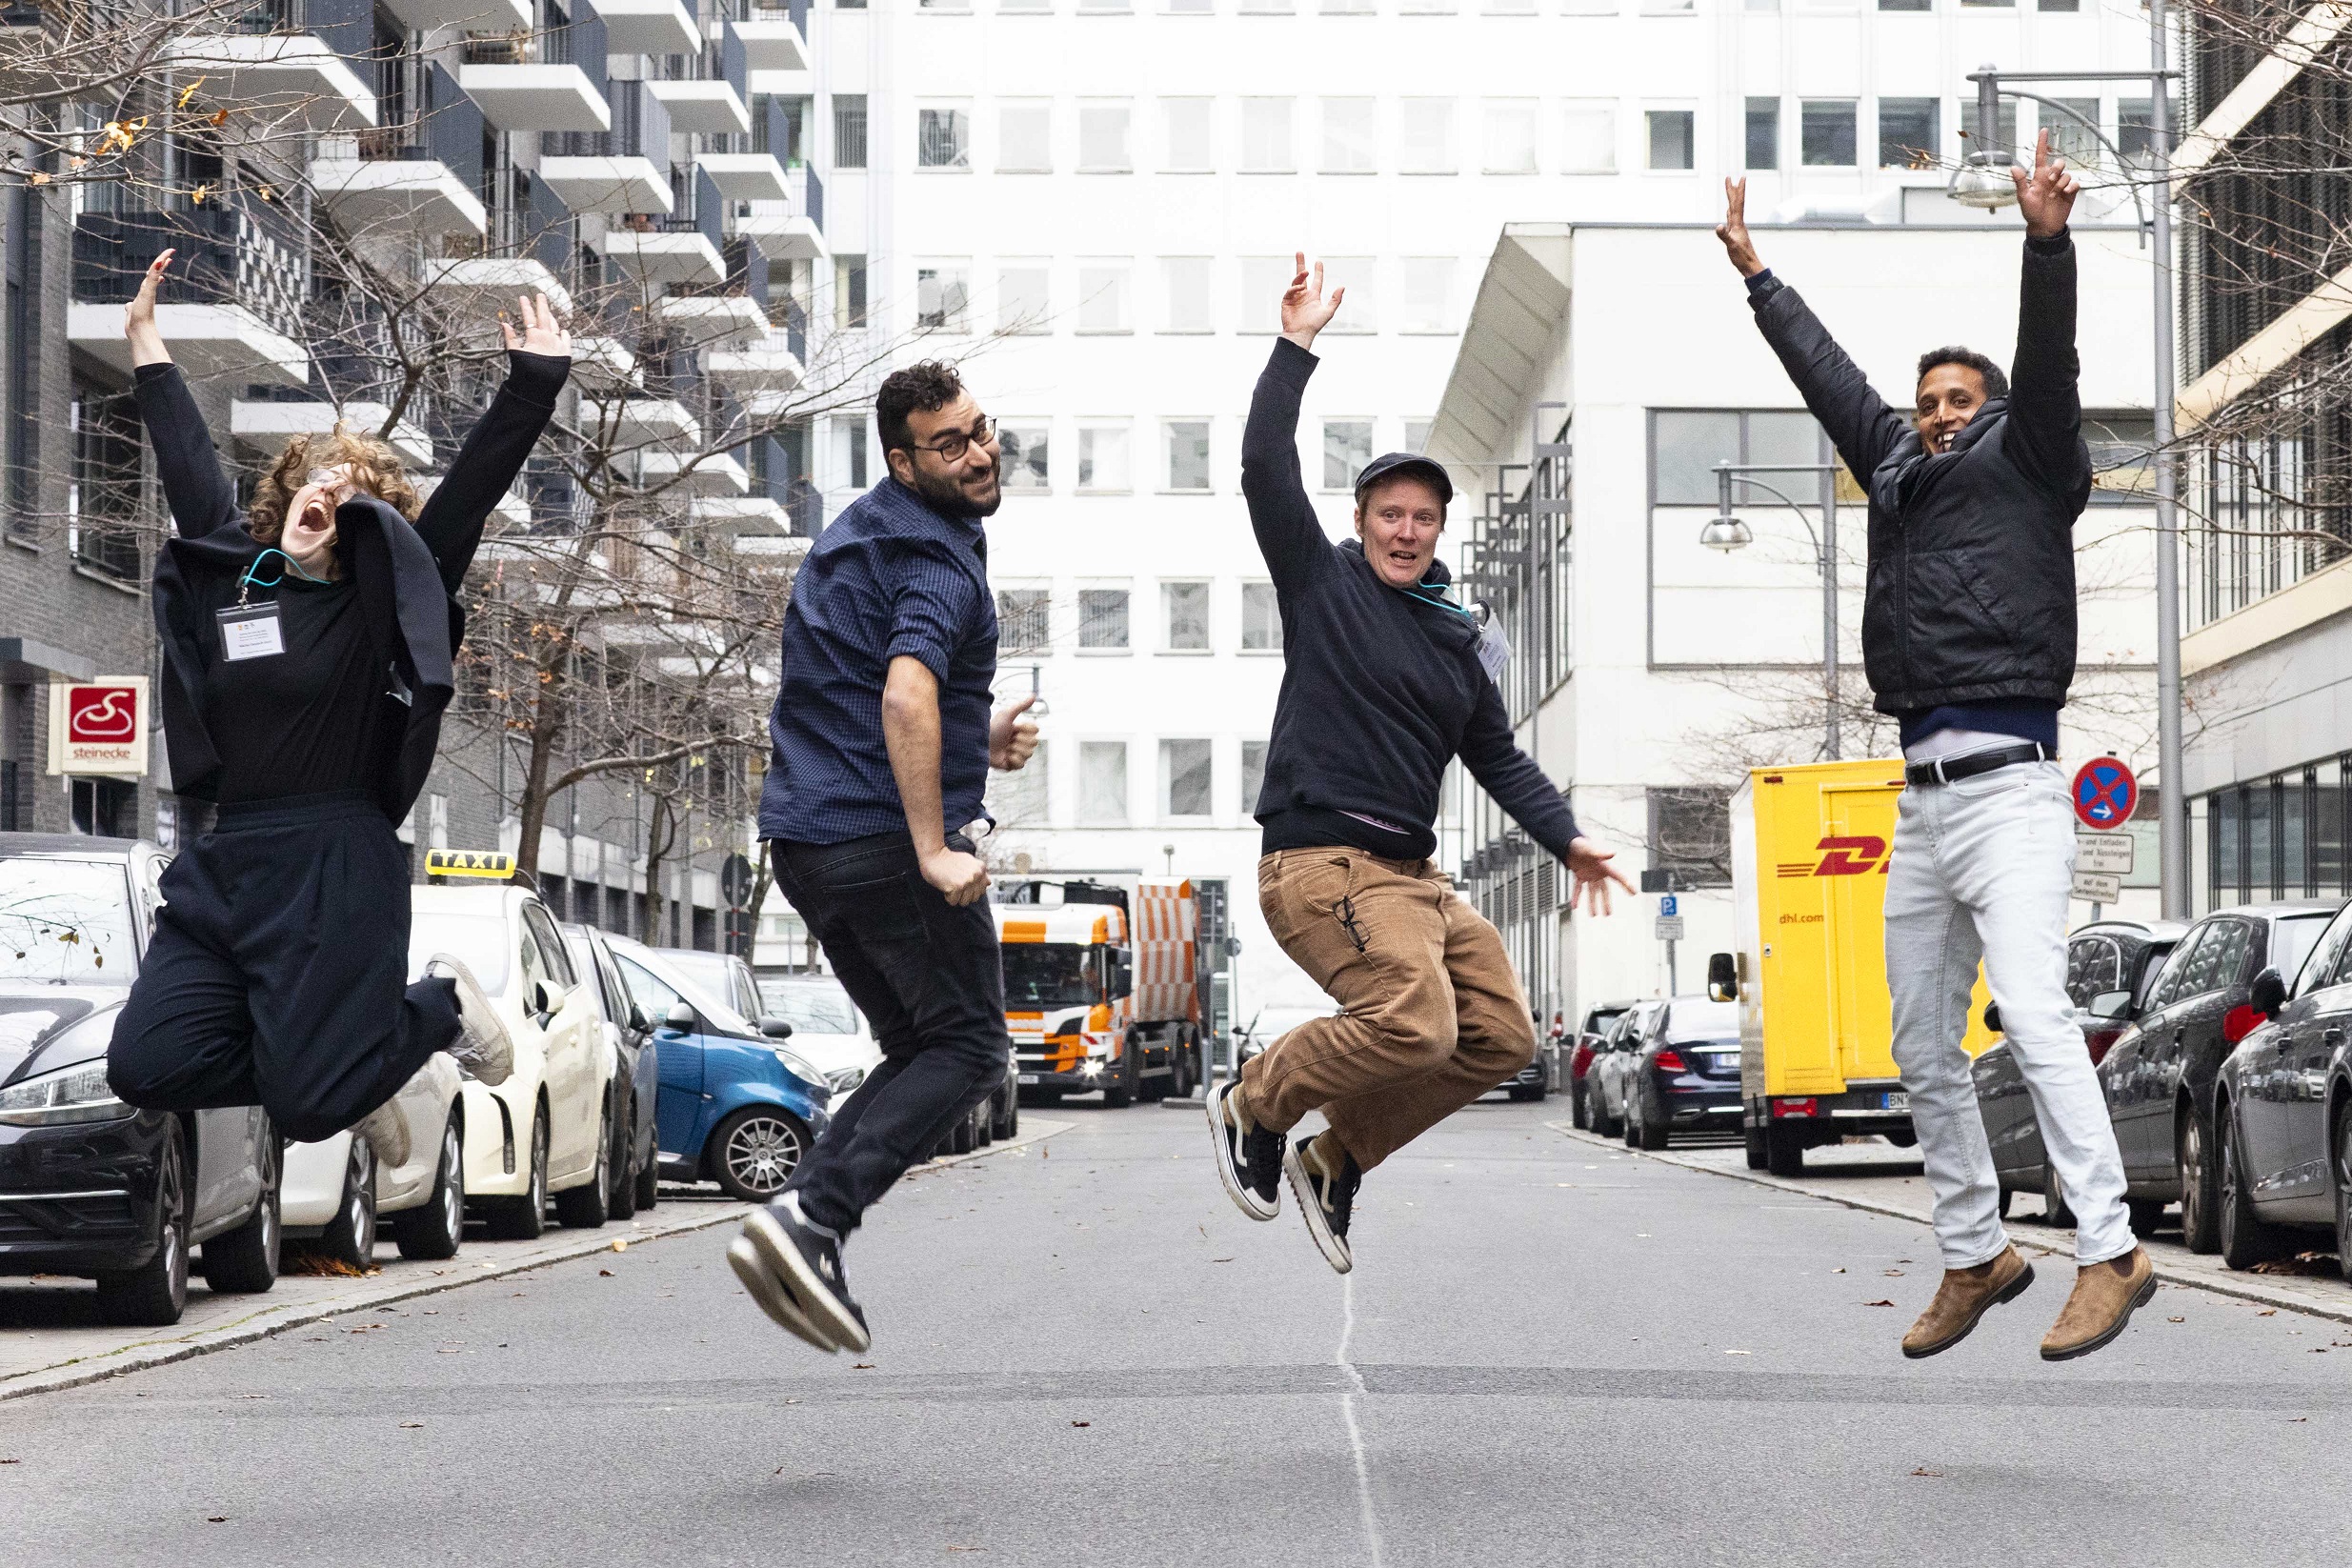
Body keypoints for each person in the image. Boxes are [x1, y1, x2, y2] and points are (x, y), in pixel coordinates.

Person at [1717, 132, 2154, 1361]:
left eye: (1960, 399)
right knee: (1918, 1037)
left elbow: (2051, 363)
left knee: (2029, 1005)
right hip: (1922, 802)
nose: (1938, 415)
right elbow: (1829, 377)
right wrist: (1758, 275)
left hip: (2014, 790)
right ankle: (1977, 1250)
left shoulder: (2033, 460)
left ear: (1999, 415)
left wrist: (2047, 241)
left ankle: (2110, 1248)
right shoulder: (1898, 477)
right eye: (1928, 403)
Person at [1204, 255, 1635, 1275]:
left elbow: (1497, 756)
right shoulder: (1323, 586)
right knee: (1410, 1016)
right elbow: (1266, 465)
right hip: (1323, 864)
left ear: (1441, 530)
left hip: (1413, 879)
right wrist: (1295, 347)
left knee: (1499, 1036)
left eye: (1423, 517)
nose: (1405, 529)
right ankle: (1254, 1099)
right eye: (1389, 513)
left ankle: (1335, 1157)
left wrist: (1568, 840)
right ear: (1362, 522)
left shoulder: (1455, 637)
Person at [105, 251, 573, 1171]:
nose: (330, 503)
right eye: (316, 490)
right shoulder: (236, 581)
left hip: (333, 862)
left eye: (356, 502)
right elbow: (190, 475)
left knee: (307, 1109)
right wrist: (146, 346)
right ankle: (355, 1074)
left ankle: (427, 1015)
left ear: (382, 524)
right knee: (148, 1064)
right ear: (282, 502)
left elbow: (468, 499)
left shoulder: (389, 611)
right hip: (226, 863)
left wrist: (533, 386)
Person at [728, 361, 1038, 1355]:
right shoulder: (936, 559)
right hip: (881, 844)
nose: (980, 453)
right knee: (972, 1047)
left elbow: (868, 686)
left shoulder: (855, 535)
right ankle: (809, 1217)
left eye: (981, 429)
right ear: (904, 460)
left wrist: (973, 736)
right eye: (950, 444)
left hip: (809, 844)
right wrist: (935, 849)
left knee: (919, 1045)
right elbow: (903, 696)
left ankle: (804, 1222)